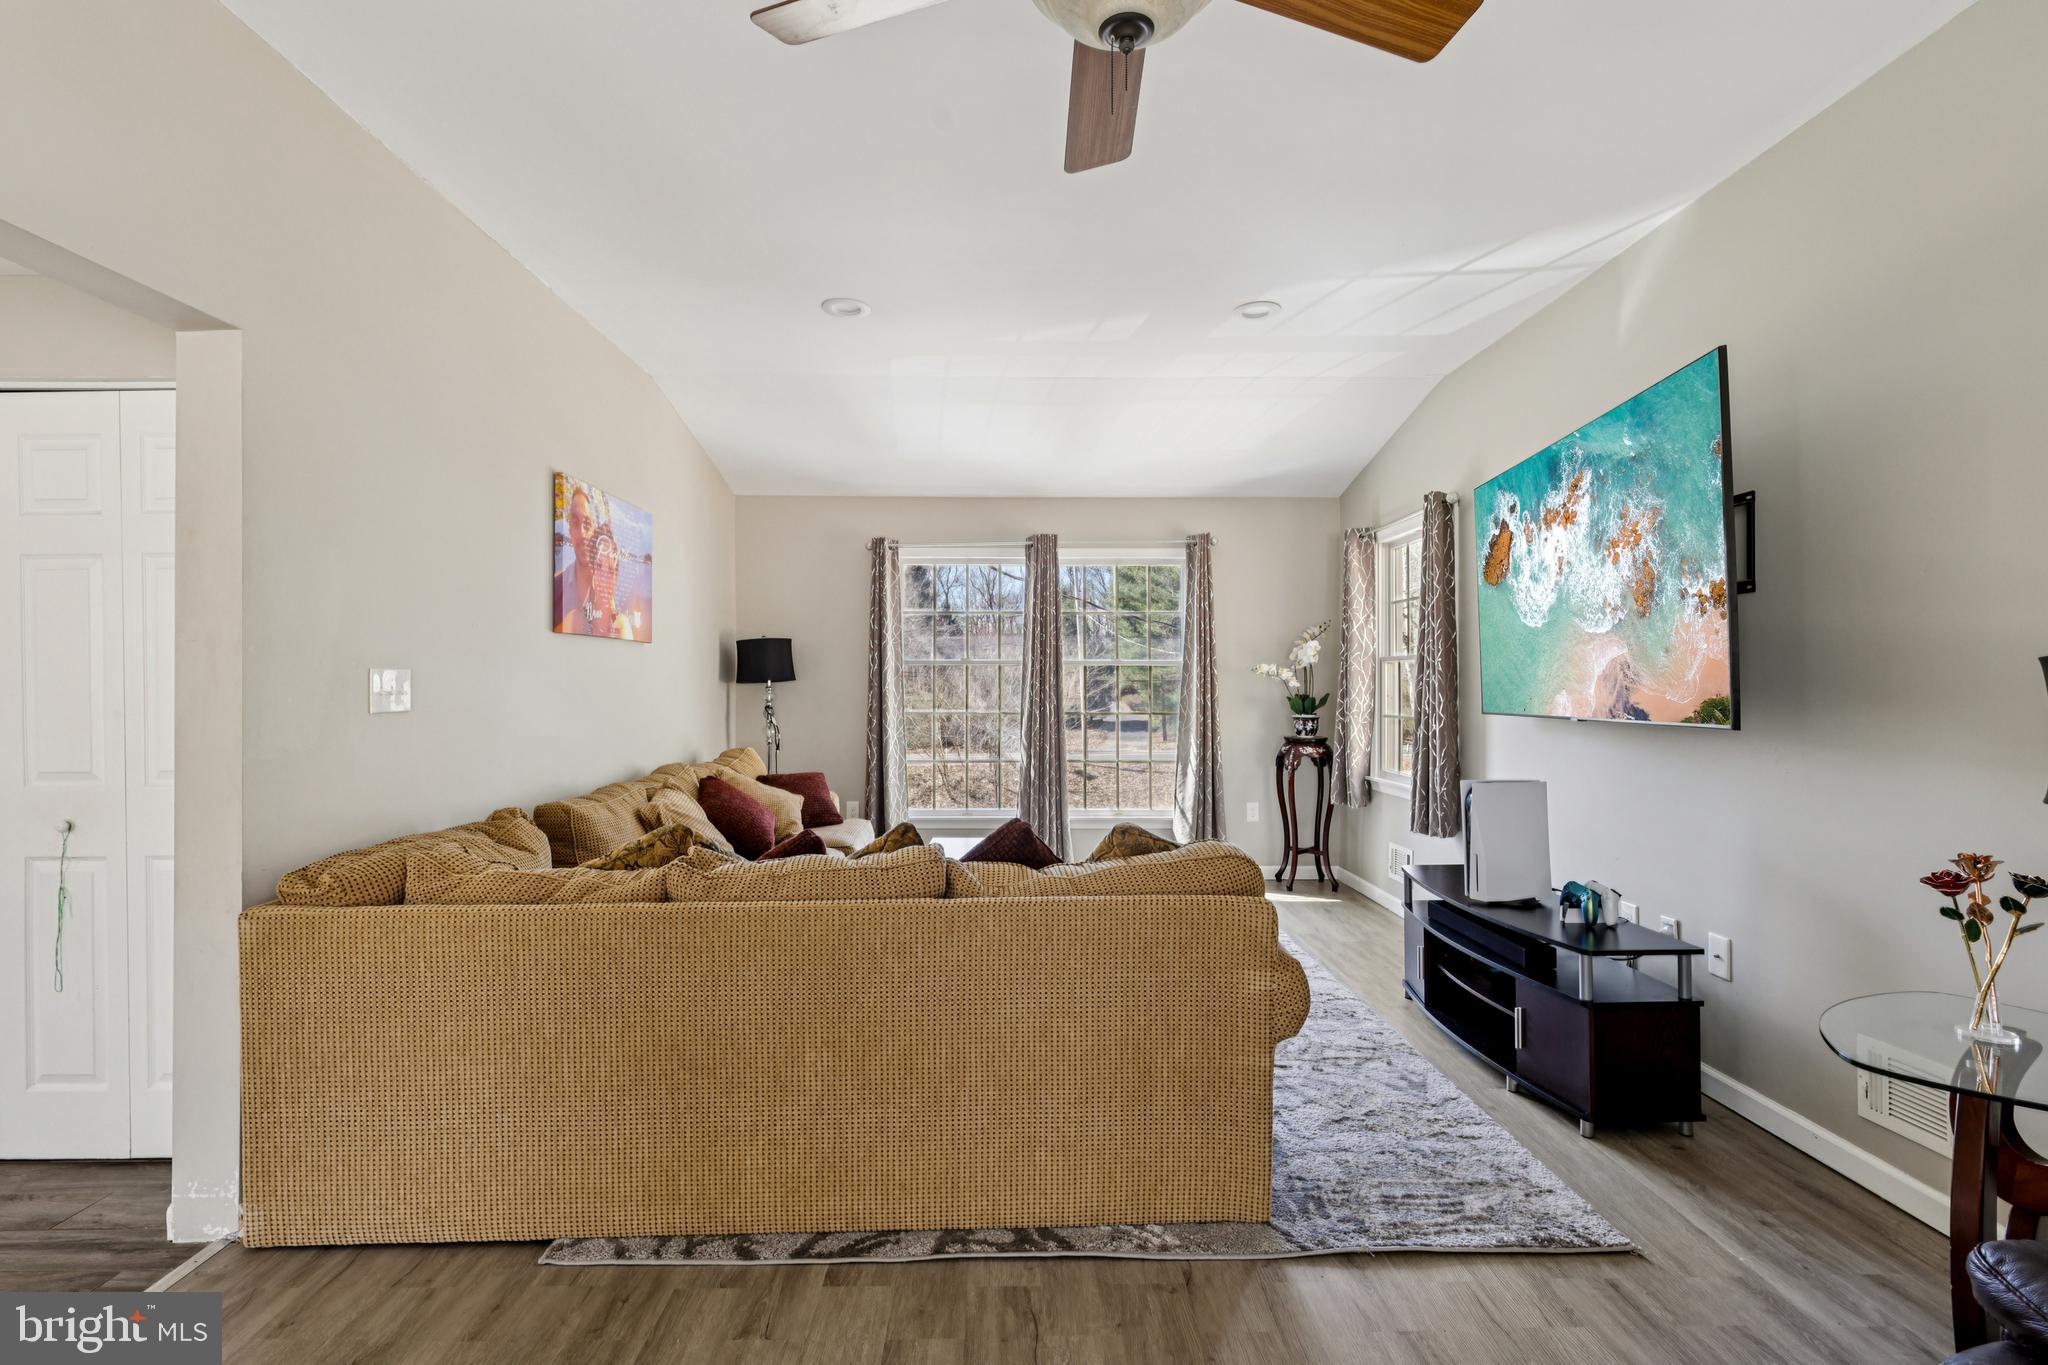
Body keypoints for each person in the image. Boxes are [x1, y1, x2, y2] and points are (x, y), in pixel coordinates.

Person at [555, 482, 630, 638]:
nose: (582, 533)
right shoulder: (556, 587)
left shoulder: (618, 614)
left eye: (587, 524)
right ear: (569, 531)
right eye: (575, 524)